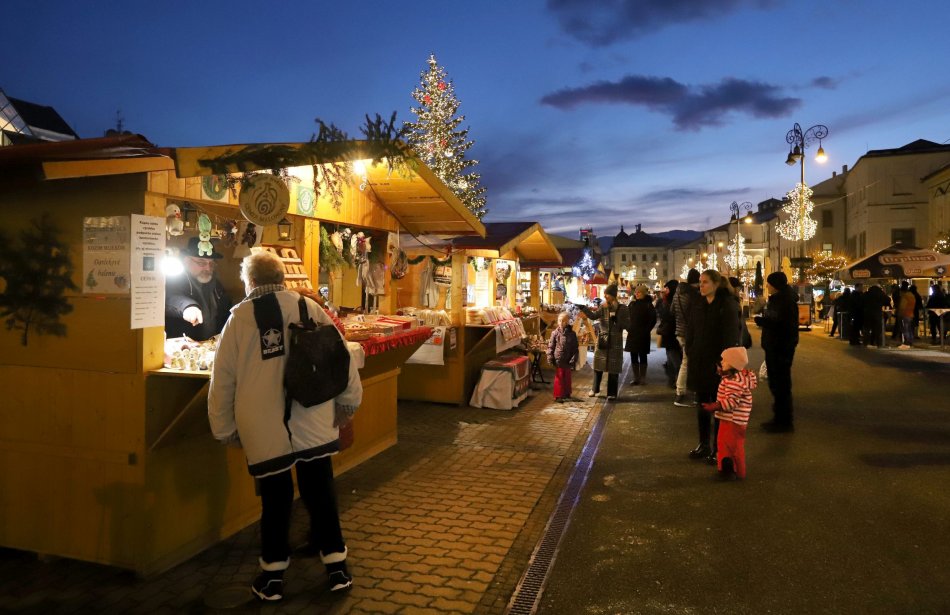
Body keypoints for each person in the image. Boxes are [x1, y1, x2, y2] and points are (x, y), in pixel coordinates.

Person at [208, 251, 363, 602]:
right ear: (282, 278)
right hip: (314, 418)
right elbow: (341, 358)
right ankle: (337, 568)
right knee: (321, 494)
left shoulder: (239, 319)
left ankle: (273, 578)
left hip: (264, 426)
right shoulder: (309, 308)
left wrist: (224, 428)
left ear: (250, 281)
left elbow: (223, 381)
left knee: (275, 501)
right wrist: (348, 403)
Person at [685, 270, 740, 462]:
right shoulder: (698, 304)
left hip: (718, 364)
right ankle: (704, 444)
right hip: (699, 361)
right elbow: (690, 330)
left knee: (719, 407)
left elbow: (731, 335)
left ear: (716, 284)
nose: (701, 286)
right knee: (702, 405)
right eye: (700, 282)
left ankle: (719, 448)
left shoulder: (727, 305)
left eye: (705, 282)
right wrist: (690, 350)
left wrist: (724, 362)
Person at [701, 346, 757, 480]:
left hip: (732, 420)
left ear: (733, 364)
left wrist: (715, 406)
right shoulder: (738, 378)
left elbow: (731, 402)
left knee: (727, 446)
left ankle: (729, 472)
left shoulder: (734, 383)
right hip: (736, 420)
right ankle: (736, 471)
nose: (722, 362)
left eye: (724, 360)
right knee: (734, 446)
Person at [754, 272, 799, 433]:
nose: (767, 286)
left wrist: (762, 321)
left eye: (769, 283)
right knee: (777, 384)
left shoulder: (784, 301)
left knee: (781, 385)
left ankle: (783, 421)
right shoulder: (779, 299)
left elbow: (782, 325)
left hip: (780, 347)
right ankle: (780, 418)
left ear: (775, 285)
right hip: (776, 346)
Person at [165, 236, 233, 341]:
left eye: (211, 263)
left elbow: (226, 311)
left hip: (212, 345)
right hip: (186, 346)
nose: (208, 268)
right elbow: (170, 298)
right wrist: (188, 307)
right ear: (186, 261)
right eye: (201, 263)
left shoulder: (216, 285)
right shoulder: (175, 279)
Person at [580, 284, 630, 400]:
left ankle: (612, 393)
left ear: (613, 295)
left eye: (607, 294)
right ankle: (595, 389)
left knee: (613, 367)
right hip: (603, 339)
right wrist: (584, 308)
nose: (605, 296)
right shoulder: (603, 307)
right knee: (598, 365)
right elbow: (593, 316)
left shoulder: (623, 309)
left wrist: (617, 321)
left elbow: (628, 325)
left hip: (615, 341)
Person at [671, 268, 700, 406]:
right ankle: (682, 392)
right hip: (690, 332)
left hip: (679, 332)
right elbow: (695, 315)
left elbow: (672, 311)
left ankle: (681, 391)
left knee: (686, 360)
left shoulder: (677, 294)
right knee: (688, 362)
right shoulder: (693, 294)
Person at [625, 284, 657, 386]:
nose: (637, 294)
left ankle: (642, 378)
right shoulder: (632, 304)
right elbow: (627, 317)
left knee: (643, 355)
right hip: (632, 334)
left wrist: (647, 330)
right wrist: (628, 327)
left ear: (644, 293)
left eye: (639, 292)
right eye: (636, 292)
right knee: (633, 355)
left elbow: (653, 319)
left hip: (643, 334)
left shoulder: (648, 305)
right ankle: (636, 378)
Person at [655, 280, 682, 389]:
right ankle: (673, 380)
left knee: (675, 359)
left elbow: (668, 316)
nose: (664, 290)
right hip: (668, 334)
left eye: (667, 288)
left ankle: (678, 380)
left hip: (673, 333)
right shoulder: (666, 301)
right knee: (671, 358)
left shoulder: (673, 301)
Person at [547, 312, 579, 402]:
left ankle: (567, 393)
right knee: (559, 377)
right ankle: (558, 395)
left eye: (563, 321)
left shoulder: (572, 334)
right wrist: (550, 357)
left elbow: (575, 347)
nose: (561, 323)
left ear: (567, 321)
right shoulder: (555, 333)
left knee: (567, 377)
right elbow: (551, 346)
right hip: (559, 358)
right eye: (560, 320)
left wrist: (574, 357)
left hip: (568, 358)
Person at [897, 281, 915, 349]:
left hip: (904, 314)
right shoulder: (912, 295)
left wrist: (899, 314)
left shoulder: (905, 296)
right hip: (911, 314)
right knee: (909, 329)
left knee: (905, 329)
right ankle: (910, 341)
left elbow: (902, 306)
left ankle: (906, 342)